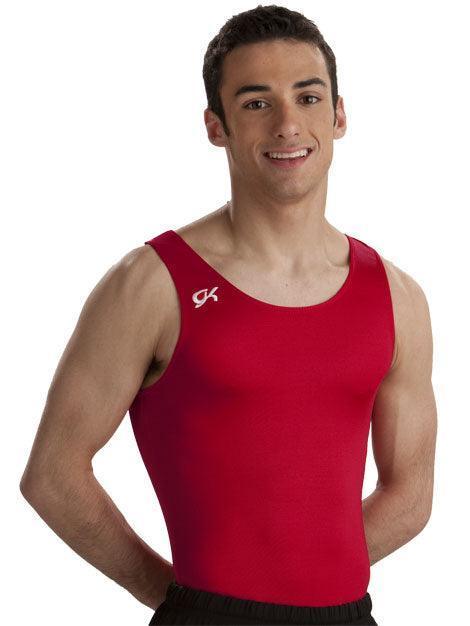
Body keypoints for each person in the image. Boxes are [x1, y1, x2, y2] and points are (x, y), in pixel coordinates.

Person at [19, 5, 437, 625]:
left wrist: (310, 582)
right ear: (216, 126)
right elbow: (53, 476)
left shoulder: (397, 296)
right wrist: (178, 597)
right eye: (256, 103)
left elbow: (411, 493)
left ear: (339, 115)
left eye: (308, 97)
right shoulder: (151, 284)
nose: (288, 125)